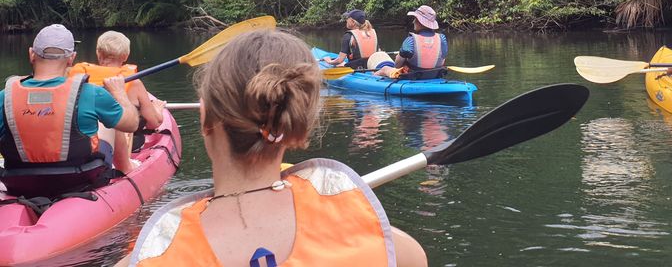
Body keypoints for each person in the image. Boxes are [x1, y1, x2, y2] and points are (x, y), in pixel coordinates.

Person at [121, 29, 427, 267]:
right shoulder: (392, 247)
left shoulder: (149, 257)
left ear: (205, 118)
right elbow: (414, 256)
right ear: (298, 129)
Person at [0, 24, 139, 198]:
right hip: (80, 180)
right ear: (71, 58)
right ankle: (126, 167)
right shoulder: (91, 93)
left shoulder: (4, 97)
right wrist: (119, 93)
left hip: (21, 183)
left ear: (31, 54)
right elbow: (132, 124)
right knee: (109, 122)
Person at [69, 31, 165, 173]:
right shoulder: (134, 83)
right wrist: (158, 109)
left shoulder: (77, 80)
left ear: (98, 53)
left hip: (81, 143)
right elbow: (154, 122)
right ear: (125, 56)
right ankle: (125, 165)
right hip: (124, 146)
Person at [373, 5, 448, 80]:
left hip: (412, 77)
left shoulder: (410, 41)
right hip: (434, 76)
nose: (413, 21)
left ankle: (371, 79)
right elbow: (442, 61)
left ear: (420, 22)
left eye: (415, 19)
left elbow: (397, 65)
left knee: (384, 68)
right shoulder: (442, 39)